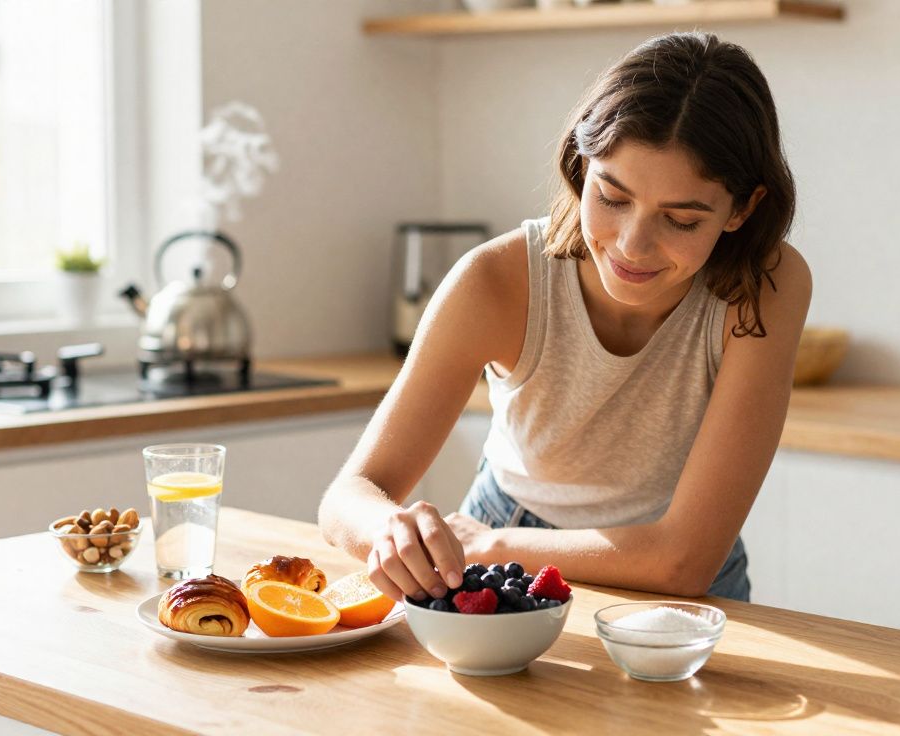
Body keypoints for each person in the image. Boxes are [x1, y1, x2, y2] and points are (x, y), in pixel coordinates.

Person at [318, 31, 812, 604]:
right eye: (612, 197)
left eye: (680, 220)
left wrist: (492, 549)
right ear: (581, 166)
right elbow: (349, 496)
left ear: (742, 210)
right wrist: (389, 530)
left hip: (597, 558)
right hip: (501, 536)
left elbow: (682, 562)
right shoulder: (496, 281)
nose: (632, 245)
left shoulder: (765, 285)